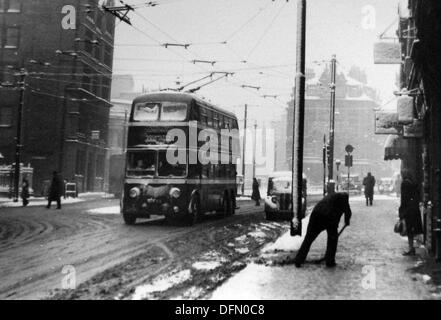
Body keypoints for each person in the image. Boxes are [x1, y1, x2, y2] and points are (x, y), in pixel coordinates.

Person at [294, 193, 351, 268]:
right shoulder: (344, 199)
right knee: (332, 239)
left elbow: (347, 211)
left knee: (308, 238)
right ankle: (330, 261)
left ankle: (299, 260)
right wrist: (347, 221)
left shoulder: (330, 196)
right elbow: (348, 212)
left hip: (316, 214)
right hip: (329, 218)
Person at [399, 172, 423, 256]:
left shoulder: (404, 184)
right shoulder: (414, 184)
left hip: (408, 210)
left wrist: (401, 212)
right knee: (412, 230)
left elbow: (404, 199)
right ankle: (411, 248)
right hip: (415, 209)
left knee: (409, 230)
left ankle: (411, 248)